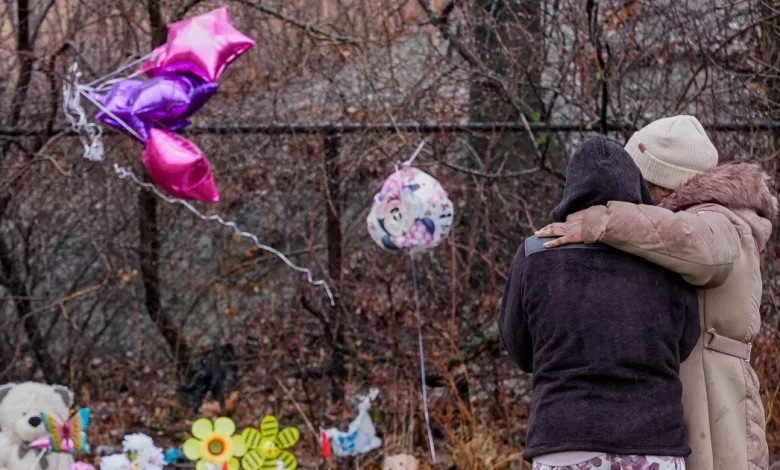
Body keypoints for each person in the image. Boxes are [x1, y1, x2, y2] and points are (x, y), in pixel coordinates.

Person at [536, 115, 777, 470]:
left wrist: (604, 221)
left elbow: (699, 245)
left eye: (641, 180)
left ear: (663, 184)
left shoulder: (723, 220)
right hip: (689, 392)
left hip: (714, 396)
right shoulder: (683, 225)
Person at [499, 135, 700, 470]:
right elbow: (685, 341)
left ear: (572, 189)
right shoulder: (664, 254)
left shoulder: (535, 252)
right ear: (635, 186)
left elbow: (519, 347)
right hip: (653, 440)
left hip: (564, 438)